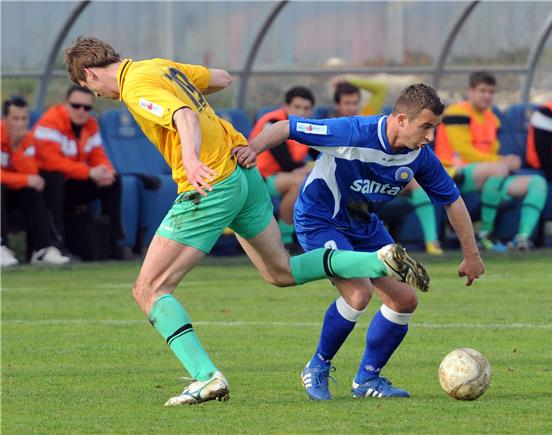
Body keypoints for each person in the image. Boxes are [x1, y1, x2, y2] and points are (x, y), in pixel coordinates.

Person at [64, 36, 430, 406]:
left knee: (149, 289)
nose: (97, 96)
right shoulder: (157, 67)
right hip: (244, 174)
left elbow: (184, 116)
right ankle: (376, 260)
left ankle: (206, 377)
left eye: (88, 88)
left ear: (91, 74)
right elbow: (222, 78)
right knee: (281, 272)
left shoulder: (135, 85)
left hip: (212, 182)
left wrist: (190, 160)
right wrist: (188, 89)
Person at [241, 83, 485, 400]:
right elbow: (286, 127)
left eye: (434, 128)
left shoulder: (420, 157)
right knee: (359, 293)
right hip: (320, 219)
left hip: (363, 224)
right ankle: (317, 366)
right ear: (400, 120)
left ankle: (367, 379)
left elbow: (452, 201)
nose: (430, 137)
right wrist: (252, 149)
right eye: (425, 127)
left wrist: (472, 255)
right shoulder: (353, 131)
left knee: (405, 300)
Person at [435, 71, 548, 251]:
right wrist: (503, 162)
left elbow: (492, 152)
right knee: (499, 169)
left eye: (491, 91)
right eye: (482, 90)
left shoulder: (492, 118)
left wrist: (503, 161)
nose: (487, 96)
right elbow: (463, 151)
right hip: (455, 174)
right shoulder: (457, 112)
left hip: (488, 176)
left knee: (537, 182)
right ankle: (485, 233)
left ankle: (522, 238)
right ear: (470, 91)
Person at [332, 76, 443, 255]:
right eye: (347, 103)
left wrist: (349, 79)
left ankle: (432, 242)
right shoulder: (333, 127)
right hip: (351, 182)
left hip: (382, 175)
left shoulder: (367, 115)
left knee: (416, 186)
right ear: (337, 105)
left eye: (355, 102)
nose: (352, 107)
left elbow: (380, 88)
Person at [33, 85, 125, 257]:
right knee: (55, 178)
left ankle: (114, 242)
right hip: (48, 185)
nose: (81, 111)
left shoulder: (90, 124)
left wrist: (107, 172)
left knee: (113, 181)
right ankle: (57, 244)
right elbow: (50, 162)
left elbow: (98, 155)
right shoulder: (50, 122)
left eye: (87, 108)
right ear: (66, 104)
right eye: (76, 106)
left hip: (73, 181)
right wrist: (89, 173)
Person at [1, 96, 71, 267]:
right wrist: (24, 179)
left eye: (24, 118)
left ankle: (43, 248)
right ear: (4, 119)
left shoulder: (28, 138)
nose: (20, 124)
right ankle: (1, 246)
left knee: (39, 185)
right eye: (15, 118)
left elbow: (32, 173)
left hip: (14, 192)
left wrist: (17, 147)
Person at [251, 86, 315, 248]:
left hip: (277, 177)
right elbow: (286, 164)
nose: (301, 112)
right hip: (256, 178)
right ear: (286, 106)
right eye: (297, 107)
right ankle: (285, 238)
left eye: (306, 108)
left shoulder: (306, 127)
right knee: (300, 182)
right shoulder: (272, 122)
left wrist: (311, 166)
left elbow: (321, 155)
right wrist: (309, 166)